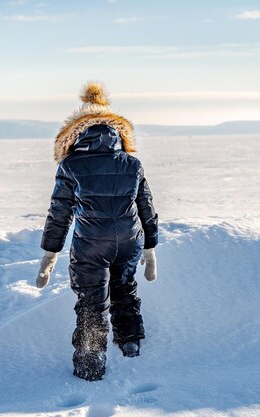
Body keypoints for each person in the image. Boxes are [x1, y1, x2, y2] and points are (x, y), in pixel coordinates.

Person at [36, 80, 159, 381]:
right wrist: (150, 246)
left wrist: (50, 253)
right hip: (128, 240)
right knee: (124, 289)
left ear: (75, 135)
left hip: (90, 245)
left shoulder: (71, 165)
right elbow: (146, 206)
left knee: (92, 301)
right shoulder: (132, 163)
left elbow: (59, 214)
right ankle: (130, 344)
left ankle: (91, 363)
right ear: (117, 133)